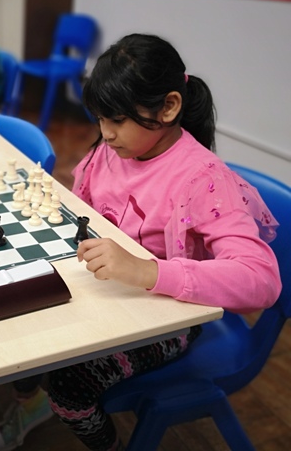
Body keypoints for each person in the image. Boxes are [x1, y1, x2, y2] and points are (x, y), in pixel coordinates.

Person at [44, 33, 280, 451]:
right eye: (100, 119)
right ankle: (30, 399)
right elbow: (85, 209)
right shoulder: (114, 150)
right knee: (30, 327)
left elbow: (261, 280)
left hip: (170, 319)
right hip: (110, 292)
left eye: (117, 120)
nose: (106, 134)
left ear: (169, 107)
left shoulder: (204, 180)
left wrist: (147, 270)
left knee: (68, 387)